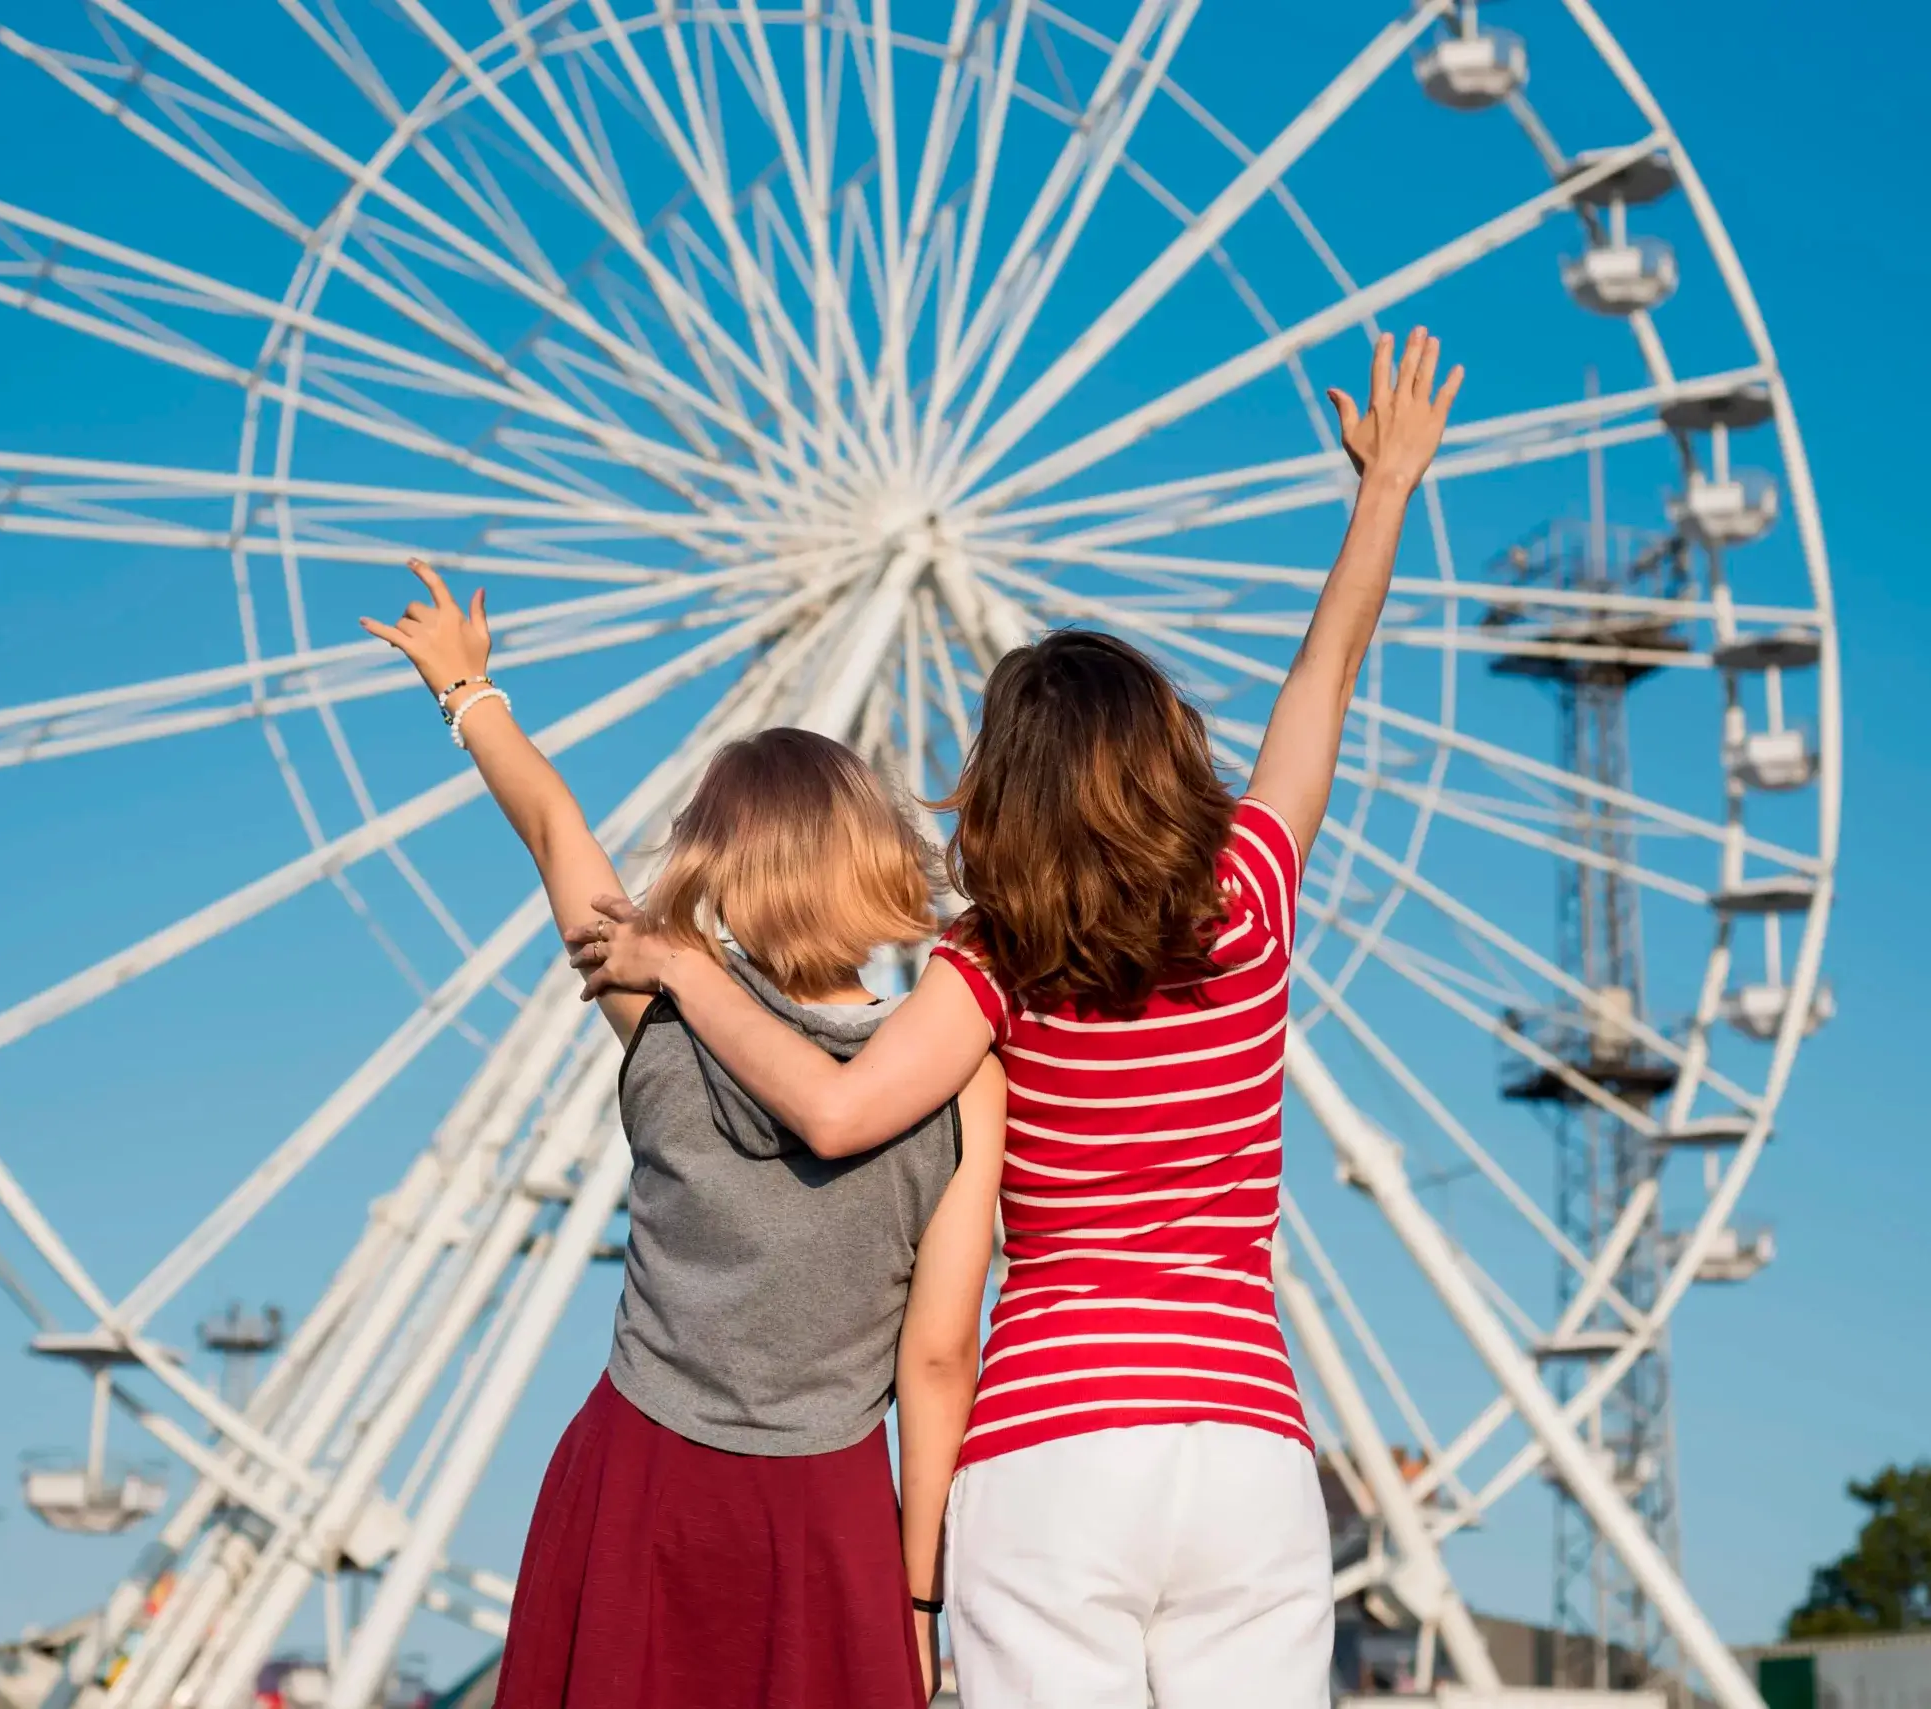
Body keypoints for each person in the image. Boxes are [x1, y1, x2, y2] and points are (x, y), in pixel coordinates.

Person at [566, 330, 1463, 1708]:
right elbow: (1320, 686)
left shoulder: (994, 968)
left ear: (1001, 795)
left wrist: (685, 971)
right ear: (1171, 760)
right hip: (1245, 1447)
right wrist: (1387, 489)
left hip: (1052, 1444)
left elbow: (834, 1110)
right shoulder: (1253, 901)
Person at [361, 562, 1006, 1709]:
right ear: (881, 862)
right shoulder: (960, 1080)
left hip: (639, 1473)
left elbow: (558, 830)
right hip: (828, 1508)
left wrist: (467, 689)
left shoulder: (661, 1014)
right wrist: (918, 1602)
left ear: (718, 870)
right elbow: (940, 1354)